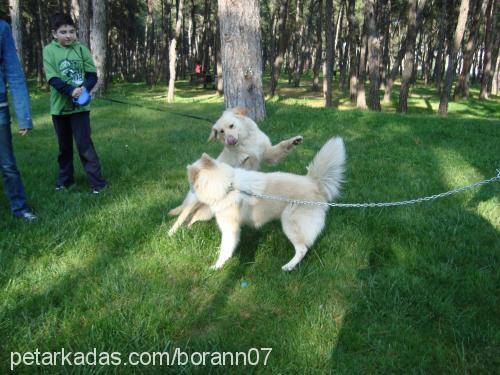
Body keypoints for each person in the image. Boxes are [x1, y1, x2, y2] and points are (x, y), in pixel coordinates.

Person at [42, 13, 106, 194]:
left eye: (71, 31)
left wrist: (84, 89)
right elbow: (52, 78)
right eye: (63, 32)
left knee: (85, 146)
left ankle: (98, 184)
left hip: (80, 109)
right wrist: (71, 90)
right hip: (59, 109)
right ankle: (65, 181)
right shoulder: (49, 51)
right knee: (64, 148)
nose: (68, 35)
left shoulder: (81, 49)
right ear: (54, 34)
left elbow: (92, 75)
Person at [0, 19, 37, 221]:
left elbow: (14, 73)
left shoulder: (2, 28)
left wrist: (24, 116)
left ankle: (20, 208)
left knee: (7, 164)